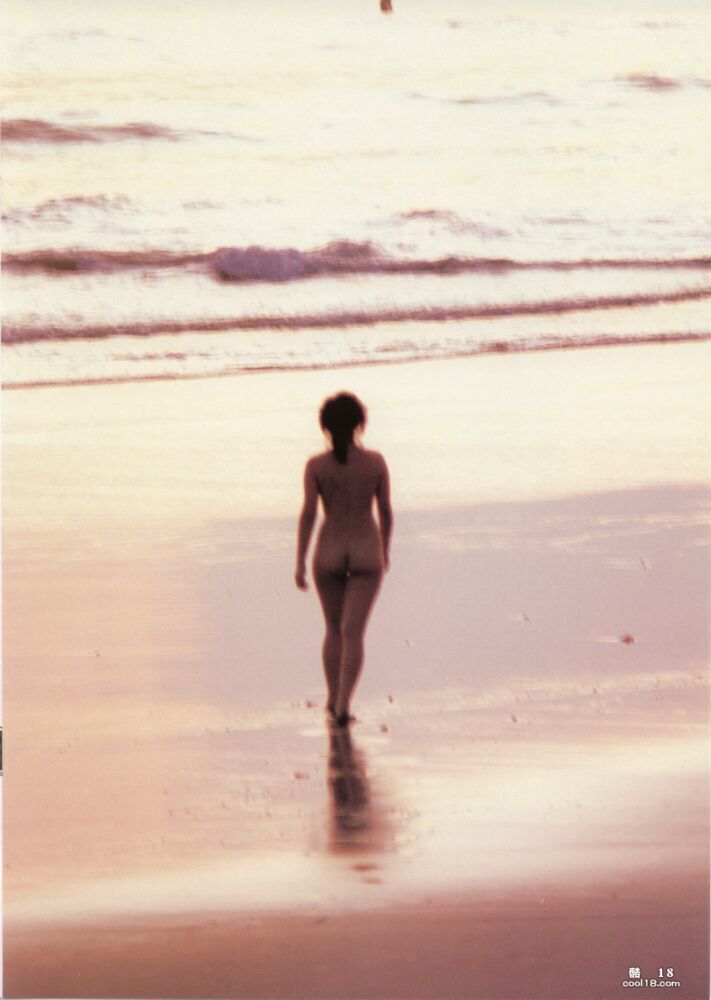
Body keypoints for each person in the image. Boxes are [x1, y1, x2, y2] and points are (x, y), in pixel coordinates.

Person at [295, 392, 392, 726]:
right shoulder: (375, 463)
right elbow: (385, 511)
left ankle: (332, 696)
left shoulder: (316, 466)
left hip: (329, 551)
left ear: (325, 426)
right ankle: (343, 704)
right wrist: (385, 550)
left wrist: (300, 560)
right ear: (359, 424)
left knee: (334, 629)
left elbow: (309, 513)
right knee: (353, 633)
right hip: (366, 549)